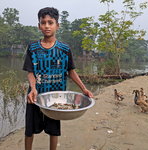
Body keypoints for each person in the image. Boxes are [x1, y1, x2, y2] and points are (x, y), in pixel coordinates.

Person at [22, 7, 93, 150]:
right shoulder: (33, 48)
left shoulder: (64, 49)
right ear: (39, 25)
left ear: (57, 25)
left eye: (50, 22)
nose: (47, 26)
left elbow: (71, 71)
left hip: (56, 98)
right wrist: (33, 88)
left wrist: (83, 89)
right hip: (34, 97)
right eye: (43, 22)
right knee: (29, 129)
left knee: (53, 131)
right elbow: (31, 72)